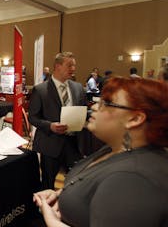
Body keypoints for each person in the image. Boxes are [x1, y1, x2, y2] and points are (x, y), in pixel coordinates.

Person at [33, 77, 168, 227]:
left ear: (135, 118)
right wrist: (63, 196)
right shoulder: (114, 149)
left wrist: (52, 220)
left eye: (106, 103)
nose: (95, 107)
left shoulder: (133, 179)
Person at [28, 52, 86, 190]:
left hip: (74, 144)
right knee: (48, 184)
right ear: (57, 66)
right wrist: (50, 126)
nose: (73, 69)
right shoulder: (41, 90)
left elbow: (83, 111)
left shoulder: (78, 88)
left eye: (74, 65)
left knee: (76, 183)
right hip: (50, 144)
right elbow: (33, 117)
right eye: (69, 65)